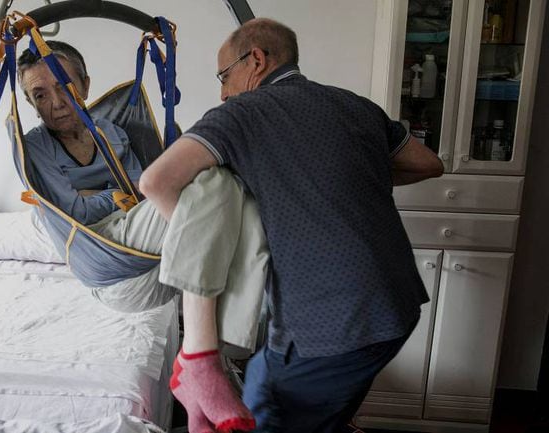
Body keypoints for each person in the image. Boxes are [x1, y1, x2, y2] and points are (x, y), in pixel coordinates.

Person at [140, 18, 444, 433]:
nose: (223, 92)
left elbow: (156, 182)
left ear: (256, 60)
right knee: (270, 384)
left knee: (265, 411)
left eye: (224, 76)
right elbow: (428, 163)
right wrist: (351, 172)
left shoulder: (241, 114)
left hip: (332, 322)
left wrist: (213, 247)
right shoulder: (356, 105)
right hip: (398, 305)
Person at [15, 41, 264, 432]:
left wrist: (99, 195)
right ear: (31, 103)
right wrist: (115, 196)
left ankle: (217, 359)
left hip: (150, 253)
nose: (57, 103)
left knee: (238, 198)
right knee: (215, 182)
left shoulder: (111, 133)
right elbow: (77, 213)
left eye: (64, 86)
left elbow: (139, 192)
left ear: (86, 84)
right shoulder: (35, 147)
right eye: (40, 95)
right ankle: (203, 363)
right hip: (103, 257)